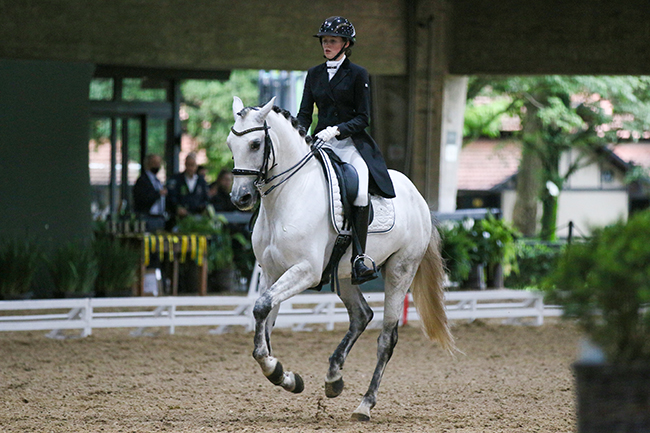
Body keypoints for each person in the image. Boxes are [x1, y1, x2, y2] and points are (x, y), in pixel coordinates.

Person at [297, 16, 396, 285]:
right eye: (324, 41)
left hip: (350, 142)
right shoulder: (314, 73)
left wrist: (337, 130)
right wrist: (300, 135)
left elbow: (364, 118)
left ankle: (360, 257)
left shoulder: (359, 74)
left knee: (360, 186)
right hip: (320, 142)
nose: (326, 45)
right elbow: (305, 114)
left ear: (346, 44)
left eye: (332, 41)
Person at [166, 153, 209, 227]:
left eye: (193, 165)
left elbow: (206, 199)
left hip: (197, 217)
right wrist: (177, 208)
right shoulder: (176, 180)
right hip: (178, 219)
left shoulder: (201, 181)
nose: (190, 168)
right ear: (185, 165)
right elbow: (171, 197)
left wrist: (202, 208)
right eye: (188, 165)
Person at [133, 154, 167, 232]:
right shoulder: (142, 181)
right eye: (155, 163)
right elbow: (142, 198)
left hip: (159, 217)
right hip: (147, 217)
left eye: (159, 163)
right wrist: (158, 193)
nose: (157, 166)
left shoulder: (157, 181)